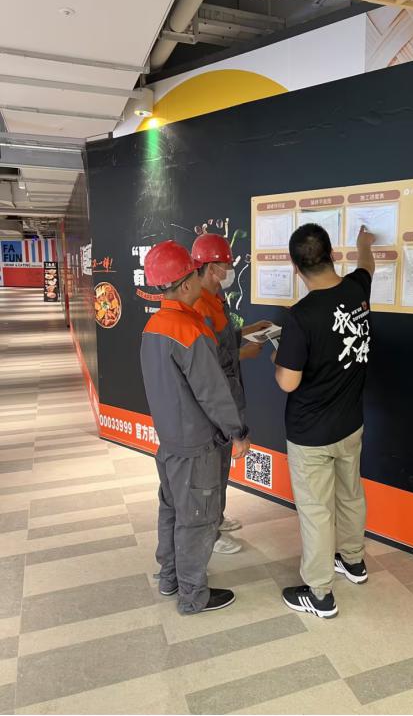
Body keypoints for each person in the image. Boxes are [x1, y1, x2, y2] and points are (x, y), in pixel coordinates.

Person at [140, 240, 250, 615]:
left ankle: (170, 578)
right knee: (197, 521)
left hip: (169, 442)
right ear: (187, 282)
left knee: (171, 511)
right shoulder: (190, 330)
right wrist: (237, 432)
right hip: (197, 446)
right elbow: (213, 393)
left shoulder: (153, 326)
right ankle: (192, 596)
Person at [272, 223, 375, 619]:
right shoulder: (356, 289)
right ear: (332, 254)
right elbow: (367, 266)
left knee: (316, 511)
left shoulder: (301, 316)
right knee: (350, 494)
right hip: (350, 423)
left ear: (295, 266)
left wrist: (278, 358)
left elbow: (288, 382)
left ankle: (319, 594)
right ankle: (353, 561)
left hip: (310, 433)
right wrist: (364, 244)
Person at [191, 233, 271, 554]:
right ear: (211, 268)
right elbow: (207, 360)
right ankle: (209, 532)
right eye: (225, 265)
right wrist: (243, 354)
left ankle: (218, 517)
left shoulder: (216, 297)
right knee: (211, 469)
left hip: (229, 392)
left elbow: (224, 339)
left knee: (223, 463)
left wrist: (250, 331)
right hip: (215, 399)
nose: (229, 270)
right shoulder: (199, 305)